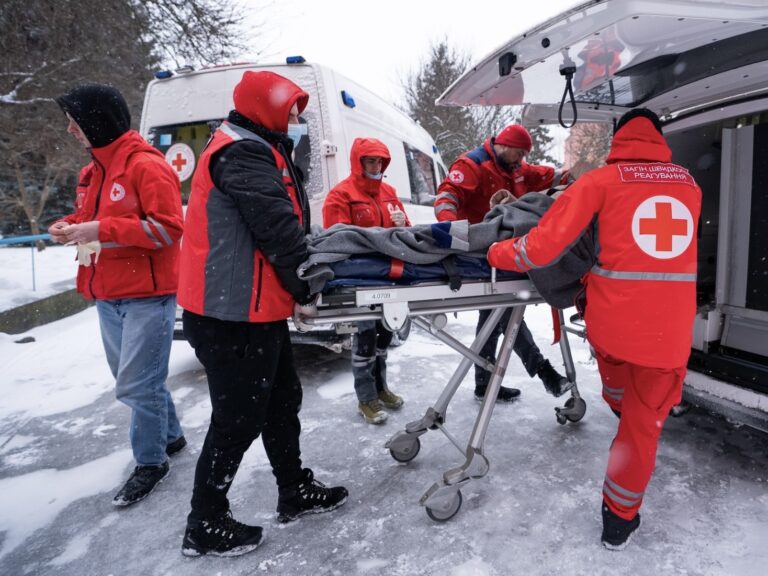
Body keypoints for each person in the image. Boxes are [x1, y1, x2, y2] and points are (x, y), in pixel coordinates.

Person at [487, 109, 701, 550]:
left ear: (618, 139)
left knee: (619, 386)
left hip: (612, 327)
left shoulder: (600, 182)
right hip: (667, 335)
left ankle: (621, 406)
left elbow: (541, 248)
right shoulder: (689, 186)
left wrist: (496, 252)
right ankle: (618, 522)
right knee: (641, 430)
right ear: (659, 139)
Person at [177, 70, 348, 557]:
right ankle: (204, 522)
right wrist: (306, 285)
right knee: (237, 419)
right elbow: (277, 229)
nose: (296, 120)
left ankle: (293, 489)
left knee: (280, 401)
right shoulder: (243, 152)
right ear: (266, 106)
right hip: (229, 314)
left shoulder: (256, 145)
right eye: (290, 110)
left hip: (252, 310)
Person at [48, 84, 186, 507]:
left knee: (138, 384)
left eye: (74, 121)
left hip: (147, 295)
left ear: (97, 121)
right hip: (108, 293)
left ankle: (151, 462)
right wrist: (69, 226)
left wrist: (99, 230)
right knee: (137, 379)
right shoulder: (92, 171)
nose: (70, 130)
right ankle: (172, 437)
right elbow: (91, 218)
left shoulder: (147, 166)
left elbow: (168, 229)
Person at [434, 124, 573, 402]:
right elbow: (447, 196)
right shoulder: (472, 165)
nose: (522, 159)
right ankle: (544, 372)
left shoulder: (516, 168)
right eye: (519, 153)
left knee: (494, 315)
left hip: (501, 252)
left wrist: (579, 174)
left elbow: (552, 175)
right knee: (505, 313)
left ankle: (485, 384)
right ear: (505, 146)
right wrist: (453, 232)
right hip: (476, 250)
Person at [322, 138, 410, 425]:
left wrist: (402, 224)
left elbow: (406, 234)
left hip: (389, 275)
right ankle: (366, 398)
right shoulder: (341, 194)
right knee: (365, 337)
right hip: (360, 278)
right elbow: (336, 239)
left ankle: (381, 389)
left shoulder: (390, 192)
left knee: (385, 334)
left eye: (380, 161)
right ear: (358, 162)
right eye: (370, 160)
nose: (376, 166)